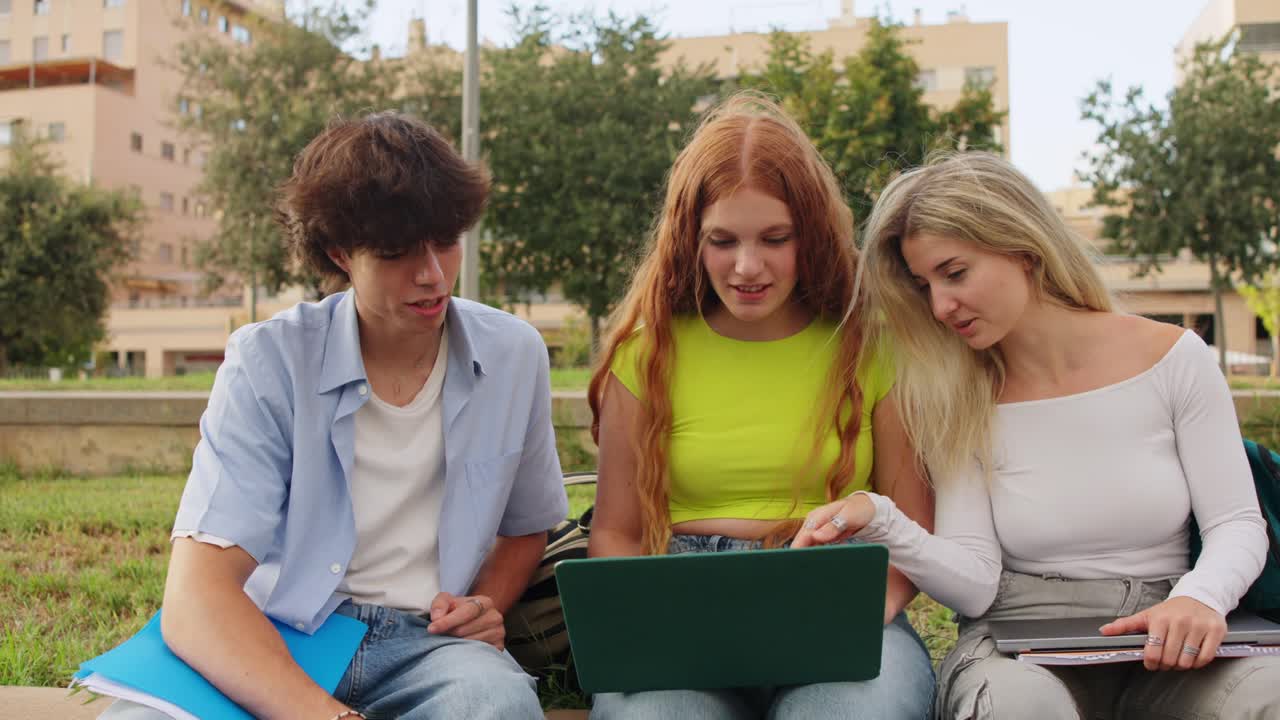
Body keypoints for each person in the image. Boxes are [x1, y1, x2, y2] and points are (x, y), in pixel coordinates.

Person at [98, 113, 567, 720]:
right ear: (339, 253)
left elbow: (527, 523)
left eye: (446, 241)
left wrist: (481, 603)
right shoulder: (267, 362)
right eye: (397, 252)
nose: (431, 273)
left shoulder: (513, 353)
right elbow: (198, 596)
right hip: (278, 632)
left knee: (497, 706)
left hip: (428, 645)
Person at [793, 151, 1280, 719]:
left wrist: (1201, 598)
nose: (942, 306)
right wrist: (879, 515)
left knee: (1266, 692)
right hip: (1021, 646)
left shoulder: (1175, 359)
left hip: (1168, 632)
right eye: (925, 286)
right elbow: (975, 583)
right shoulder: (958, 393)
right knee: (1017, 707)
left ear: (1022, 248)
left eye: (954, 273)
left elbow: (1236, 523)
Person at [585, 93, 936, 719]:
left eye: (775, 238)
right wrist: (647, 627)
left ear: (813, 236)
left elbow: (913, 526)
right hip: (681, 610)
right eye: (723, 241)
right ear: (691, 239)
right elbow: (616, 531)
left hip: (833, 603)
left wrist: (856, 615)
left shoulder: (872, 347)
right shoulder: (646, 357)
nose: (748, 267)